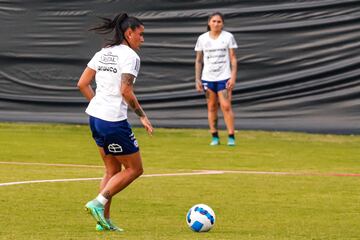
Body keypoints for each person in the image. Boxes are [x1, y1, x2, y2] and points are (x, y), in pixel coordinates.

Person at [77, 13, 153, 232]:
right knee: (135, 169)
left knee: (112, 170)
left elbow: (82, 83)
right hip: (112, 121)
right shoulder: (130, 56)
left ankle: (104, 221)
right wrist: (142, 116)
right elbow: (126, 90)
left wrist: (99, 104)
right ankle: (97, 203)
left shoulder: (103, 53)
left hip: (95, 118)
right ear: (129, 33)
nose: (143, 39)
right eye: (141, 34)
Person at [194, 12, 238, 146]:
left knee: (226, 106)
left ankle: (231, 136)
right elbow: (198, 60)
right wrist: (197, 79)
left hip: (224, 77)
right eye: (213, 21)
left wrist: (233, 77)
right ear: (209, 23)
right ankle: (215, 136)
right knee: (211, 107)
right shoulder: (202, 38)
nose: (216, 24)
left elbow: (233, 58)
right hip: (208, 78)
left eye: (219, 21)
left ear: (222, 24)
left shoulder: (228, 37)